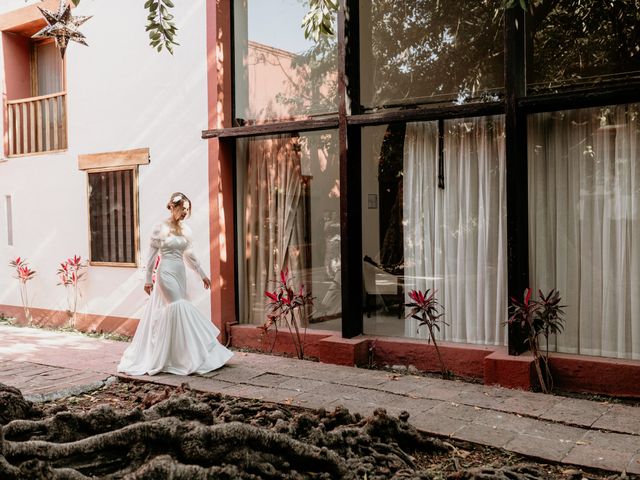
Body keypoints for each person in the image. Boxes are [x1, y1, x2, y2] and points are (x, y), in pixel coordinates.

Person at [117, 192, 233, 375]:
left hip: (180, 272)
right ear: (173, 207)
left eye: (188, 209)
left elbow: (189, 255)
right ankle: (184, 355)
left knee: (177, 309)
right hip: (165, 272)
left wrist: (202, 274)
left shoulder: (186, 230)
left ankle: (179, 354)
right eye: (183, 208)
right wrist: (148, 280)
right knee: (178, 305)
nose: (185, 212)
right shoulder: (160, 228)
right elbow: (151, 257)